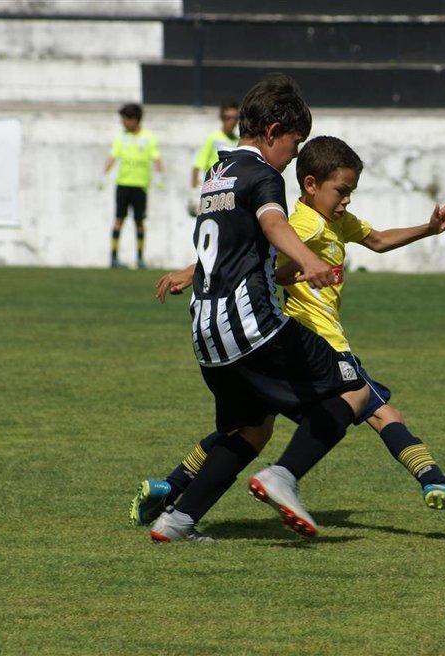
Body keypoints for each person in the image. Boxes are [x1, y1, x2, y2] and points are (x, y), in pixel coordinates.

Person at [131, 136, 445, 530]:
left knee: (250, 428)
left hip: (292, 342)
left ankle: (173, 489)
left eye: (351, 192)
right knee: (375, 408)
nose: (347, 201)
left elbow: (376, 241)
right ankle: (432, 482)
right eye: (341, 191)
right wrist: (190, 272)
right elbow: (249, 251)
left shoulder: (336, 222)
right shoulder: (303, 225)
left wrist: (428, 228)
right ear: (309, 185)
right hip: (316, 344)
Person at [143, 74, 371, 543]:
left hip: (207, 333)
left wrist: (192, 272)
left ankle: (178, 520)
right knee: (354, 392)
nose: (292, 156)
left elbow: (230, 241)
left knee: (251, 427)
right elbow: (271, 223)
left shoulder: (216, 175)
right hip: (253, 327)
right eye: (294, 143)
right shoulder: (264, 175)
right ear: (271, 131)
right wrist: (309, 260)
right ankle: (282, 476)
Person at [102, 103, 164, 269]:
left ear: (134, 119)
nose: (123, 123)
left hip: (140, 186)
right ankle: (114, 257)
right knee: (118, 220)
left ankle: (140, 258)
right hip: (123, 185)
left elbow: (156, 158)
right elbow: (112, 156)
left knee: (139, 222)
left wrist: (159, 176)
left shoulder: (148, 138)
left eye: (125, 119)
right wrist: (103, 175)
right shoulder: (121, 137)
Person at [188, 100, 240, 216]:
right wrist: (194, 192)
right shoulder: (213, 139)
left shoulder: (239, 141)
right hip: (213, 194)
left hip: (231, 195)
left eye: (235, 118)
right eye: (228, 117)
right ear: (221, 118)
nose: (232, 121)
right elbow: (197, 166)